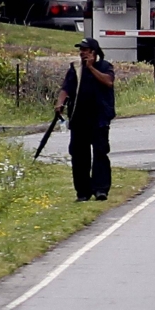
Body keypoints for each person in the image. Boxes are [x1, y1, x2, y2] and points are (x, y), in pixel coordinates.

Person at [55, 38, 116, 201]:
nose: (82, 53)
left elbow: (108, 82)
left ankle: (100, 189)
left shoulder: (105, 67)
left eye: (86, 50)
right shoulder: (75, 69)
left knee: (100, 154)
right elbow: (66, 88)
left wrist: (90, 67)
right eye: (81, 50)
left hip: (99, 118)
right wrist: (60, 102)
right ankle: (83, 192)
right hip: (79, 119)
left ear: (94, 52)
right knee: (79, 156)